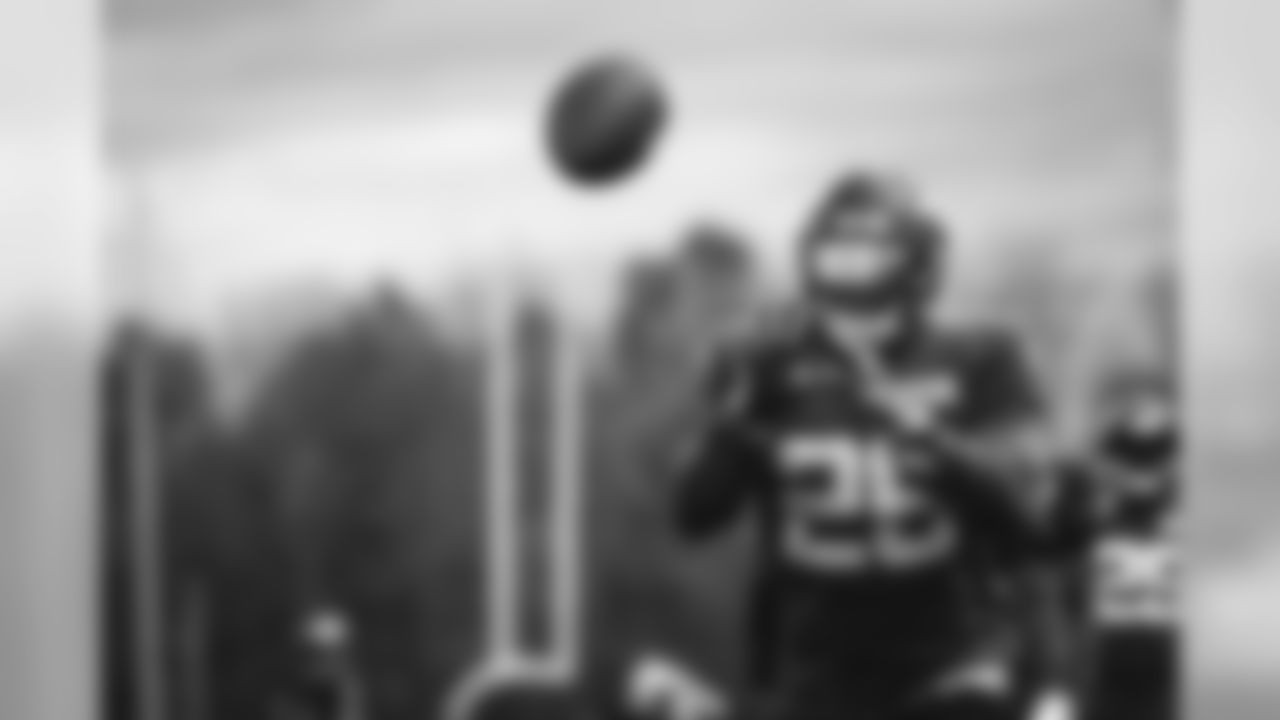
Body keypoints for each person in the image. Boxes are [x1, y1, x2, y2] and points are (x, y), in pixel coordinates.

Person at [670, 172, 1073, 720]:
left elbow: (1036, 515)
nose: (853, 262)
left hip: (956, 662)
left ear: (918, 259)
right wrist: (733, 425)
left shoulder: (981, 359)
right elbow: (693, 514)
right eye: (839, 244)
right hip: (818, 673)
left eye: (870, 244)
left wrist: (944, 451)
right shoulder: (764, 365)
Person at [1054, 382, 1178, 720]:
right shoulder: (1085, 532)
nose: (1143, 473)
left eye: (1155, 455)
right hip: (1104, 686)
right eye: (1131, 456)